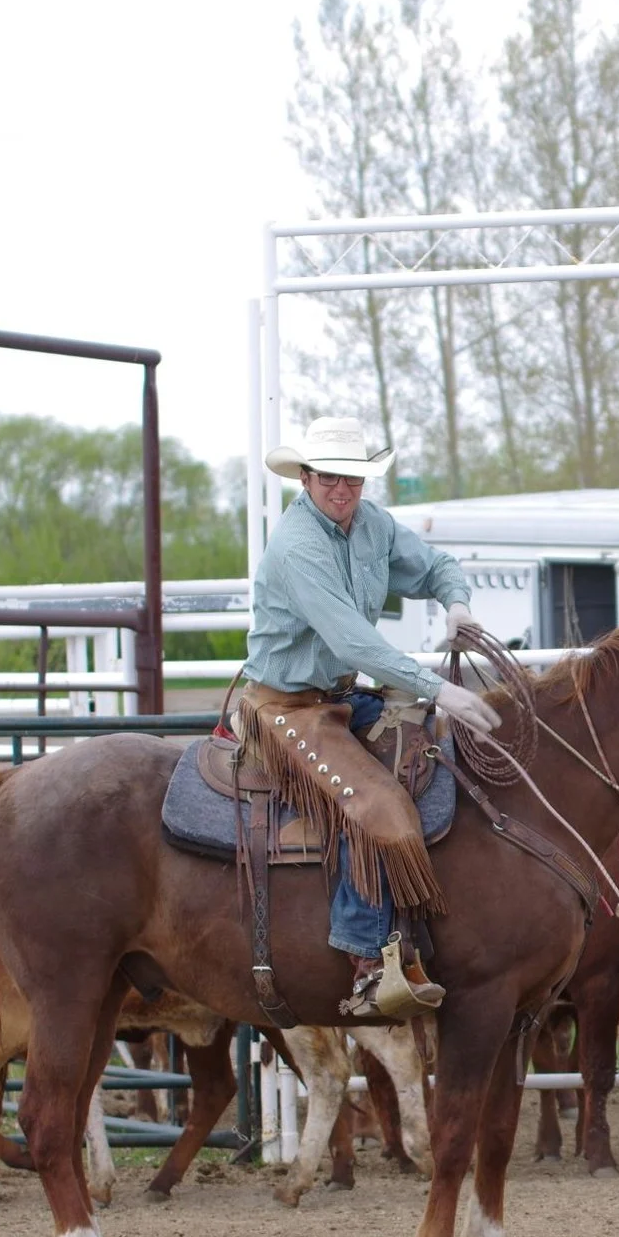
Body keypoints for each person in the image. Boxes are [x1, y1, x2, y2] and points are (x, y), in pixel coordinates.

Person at [237, 416, 500, 1020]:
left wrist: (455, 603)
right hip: (282, 706)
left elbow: (434, 566)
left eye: (352, 479)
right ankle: (366, 962)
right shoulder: (297, 545)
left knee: (434, 757)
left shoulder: (373, 525)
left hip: (339, 696)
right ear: (305, 478)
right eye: (329, 478)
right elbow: (353, 641)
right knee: (375, 800)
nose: (341, 490)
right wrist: (439, 688)